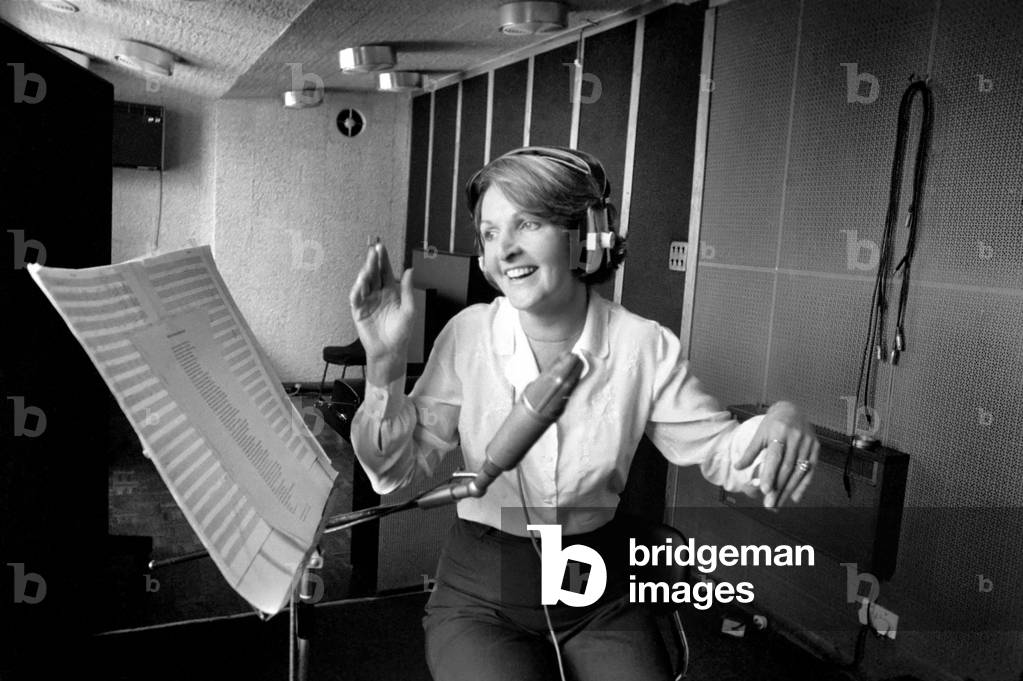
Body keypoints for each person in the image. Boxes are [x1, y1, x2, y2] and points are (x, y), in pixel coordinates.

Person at [348, 146, 820, 681]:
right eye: (489, 232)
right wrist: (384, 364)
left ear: (587, 235)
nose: (505, 250)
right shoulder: (467, 335)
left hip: (596, 590)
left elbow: (723, 453)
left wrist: (780, 419)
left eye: (528, 222)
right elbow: (394, 473)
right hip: (483, 589)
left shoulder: (642, 344)